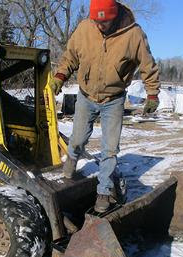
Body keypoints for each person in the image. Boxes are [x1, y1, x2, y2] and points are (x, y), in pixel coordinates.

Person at [49, 0, 160, 212]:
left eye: (104, 22)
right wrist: (60, 76)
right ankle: (70, 167)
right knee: (78, 139)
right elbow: (70, 56)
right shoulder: (84, 28)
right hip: (86, 95)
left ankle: (104, 191)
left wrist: (152, 93)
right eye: (96, 21)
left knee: (109, 149)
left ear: (114, 15)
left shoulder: (133, 34)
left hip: (114, 99)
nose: (99, 26)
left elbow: (148, 65)